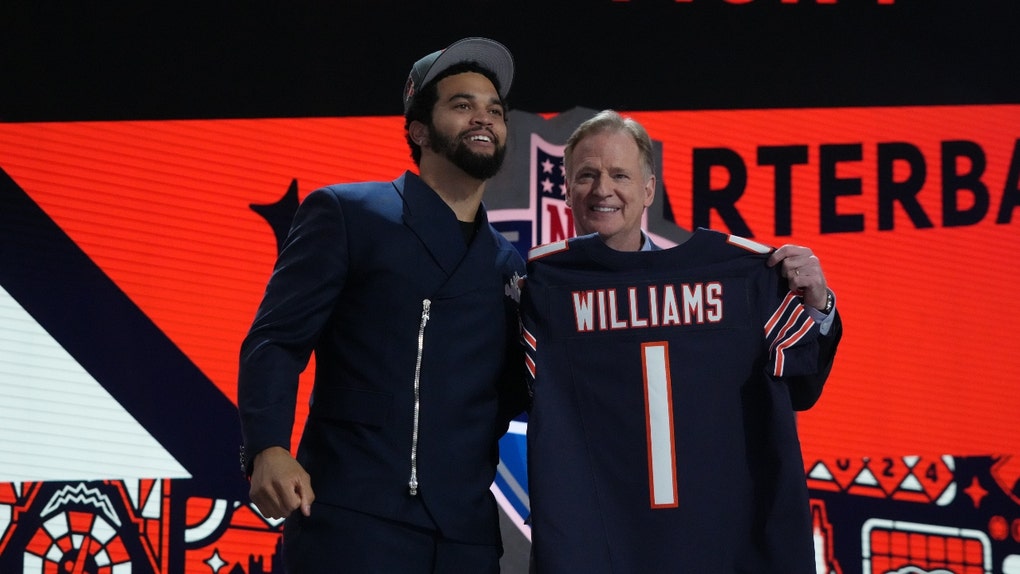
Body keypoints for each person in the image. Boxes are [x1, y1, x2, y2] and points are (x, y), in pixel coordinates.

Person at [237, 37, 528, 573]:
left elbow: (513, 397)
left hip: (466, 537)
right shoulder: (348, 214)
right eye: (461, 105)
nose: (482, 118)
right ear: (419, 129)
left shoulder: (509, 266)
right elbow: (276, 339)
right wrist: (267, 447)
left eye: (494, 110)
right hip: (354, 520)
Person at [522, 110, 843, 573]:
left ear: (649, 189)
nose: (602, 189)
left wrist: (817, 305)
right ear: (567, 189)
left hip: (715, 546)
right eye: (586, 176)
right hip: (603, 548)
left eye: (619, 175)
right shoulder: (541, 293)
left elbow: (803, 389)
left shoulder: (740, 278)